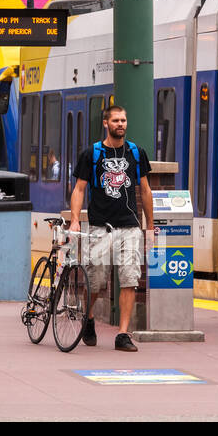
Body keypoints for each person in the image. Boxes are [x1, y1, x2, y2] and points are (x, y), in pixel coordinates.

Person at [69, 105, 154, 351]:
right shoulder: (92, 154)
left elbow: (145, 191)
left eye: (124, 120)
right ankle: (90, 318)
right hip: (100, 227)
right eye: (116, 120)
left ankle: (123, 334)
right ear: (106, 123)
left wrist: (150, 225)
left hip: (129, 227)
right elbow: (79, 189)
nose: (121, 124)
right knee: (95, 281)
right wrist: (75, 218)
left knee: (129, 279)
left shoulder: (136, 154)